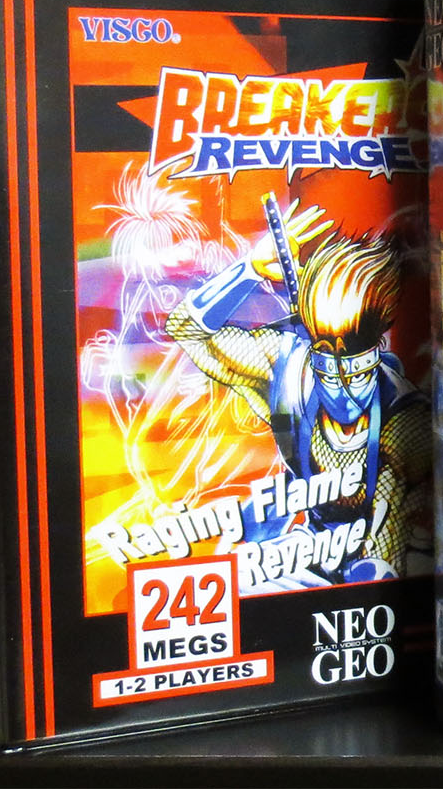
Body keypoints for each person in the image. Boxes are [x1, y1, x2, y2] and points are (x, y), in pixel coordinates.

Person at [167, 203, 427, 584]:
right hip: (306, 554)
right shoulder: (286, 370)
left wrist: (374, 574)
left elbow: (387, 534)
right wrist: (249, 271)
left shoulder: (403, 416)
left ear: (377, 349)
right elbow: (186, 328)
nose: (342, 381)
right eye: (328, 359)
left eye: (354, 364)